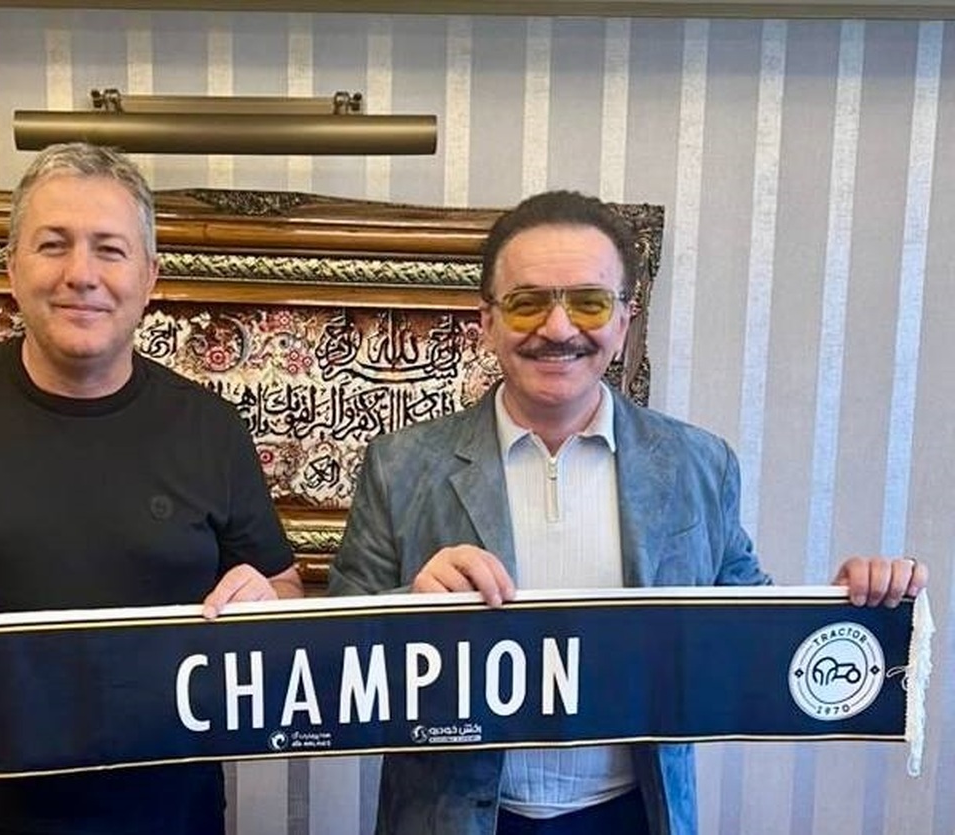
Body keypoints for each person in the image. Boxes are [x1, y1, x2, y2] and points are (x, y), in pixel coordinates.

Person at [328, 189, 927, 835]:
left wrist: (843, 608)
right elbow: (329, 669)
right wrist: (410, 606)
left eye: (588, 302)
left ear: (623, 320)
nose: (558, 329)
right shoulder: (399, 464)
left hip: (635, 814)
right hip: (453, 818)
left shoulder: (699, 464)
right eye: (527, 303)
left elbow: (749, 638)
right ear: (488, 321)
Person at [0, 142, 304, 835]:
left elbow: (283, 588)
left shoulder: (210, 428)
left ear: (149, 277)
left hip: (172, 815)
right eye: (53, 245)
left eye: (109, 249)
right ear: (13, 268)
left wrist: (267, 605)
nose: (81, 275)